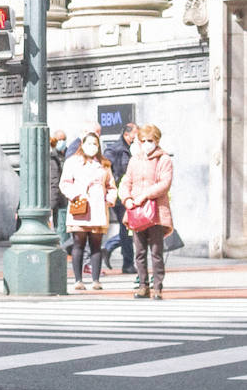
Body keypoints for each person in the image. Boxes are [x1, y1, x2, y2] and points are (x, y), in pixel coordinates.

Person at [119, 124, 174, 301]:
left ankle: (157, 286)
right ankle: (143, 286)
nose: (146, 144)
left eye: (150, 140)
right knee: (139, 251)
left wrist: (144, 195)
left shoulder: (164, 159)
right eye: (143, 141)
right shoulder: (135, 159)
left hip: (156, 211)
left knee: (156, 251)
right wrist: (126, 198)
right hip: (136, 210)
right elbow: (126, 181)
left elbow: (165, 183)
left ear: (157, 140)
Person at [59, 130, 117, 291]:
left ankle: (96, 280)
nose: (92, 147)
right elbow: (65, 183)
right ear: (82, 144)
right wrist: (75, 195)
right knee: (79, 243)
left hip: (98, 208)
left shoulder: (104, 164)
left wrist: (110, 199)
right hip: (80, 206)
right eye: (89, 143)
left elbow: (111, 186)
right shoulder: (72, 162)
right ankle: (78, 280)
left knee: (96, 244)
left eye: (95, 144)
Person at [103, 122, 138, 274]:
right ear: (127, 135)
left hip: (130, 194)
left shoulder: (132, 149)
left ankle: (112, 248)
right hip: (120, 196)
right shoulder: (116, 150)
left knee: (130, 229)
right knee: (127, 228)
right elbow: (105, 165)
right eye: (135, 134)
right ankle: (128, 263)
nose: (137, 137)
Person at [49, 130, 68, 240]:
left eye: (64, 139)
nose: (62, 142)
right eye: (60, 139)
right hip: (58, 198)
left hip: (63, 197)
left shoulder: (65, 155)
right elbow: (54, 180)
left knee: (62, 227)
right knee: (60, 227)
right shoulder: (53, 157)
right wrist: (52, 202)